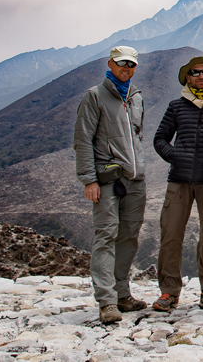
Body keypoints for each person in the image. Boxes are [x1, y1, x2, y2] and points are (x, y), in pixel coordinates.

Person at [74, 46, 147, 324]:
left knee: (129, 236)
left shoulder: (136, 97)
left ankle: (122, 294)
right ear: (110, 63)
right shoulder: (94, 96)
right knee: (106, 236)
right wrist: (89, 179)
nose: (125, 68)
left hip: (135, 179)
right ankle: (106, 301)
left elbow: (137, 136)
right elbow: (83, 140)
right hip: (107, 179)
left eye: (130, 64)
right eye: (120, 64)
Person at [152, 56, 203, 313]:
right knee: (171, 234)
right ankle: (169, 290)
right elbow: (160, 138)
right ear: (187, 77)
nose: (201, 76)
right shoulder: (176, 106)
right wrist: (175, 155)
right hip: (178, 180)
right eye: (195, 72)